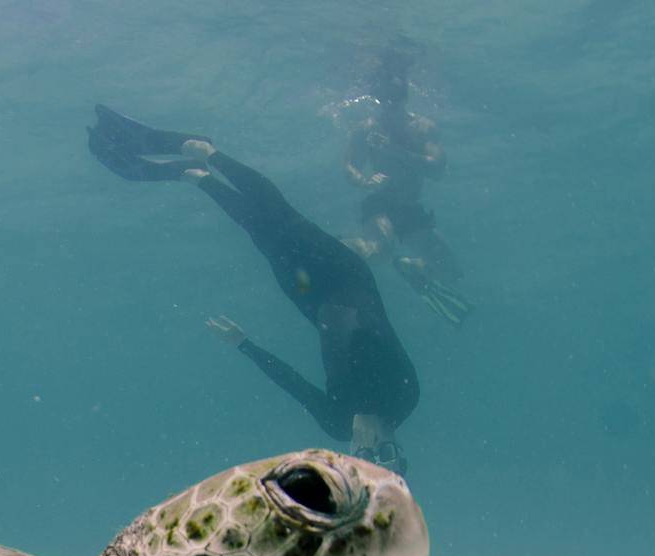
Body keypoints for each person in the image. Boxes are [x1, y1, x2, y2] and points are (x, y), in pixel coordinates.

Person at [88, 107, 417, 475]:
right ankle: (204, 152)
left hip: (309, 299)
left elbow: (292, 382)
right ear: (398, 449)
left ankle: (195, 177)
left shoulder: (337, 425)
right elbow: (370, 329)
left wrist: (244, 344)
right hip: (346, 280)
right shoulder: (403, 399)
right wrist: (369, 408)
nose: (369, 449)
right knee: (283, 218)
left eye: (362, 461)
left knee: (262, 233)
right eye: (384, 455)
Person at [342, 54, 471, 328]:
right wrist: (364, 181)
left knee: (452, 274)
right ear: (376, 99)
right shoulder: (364, 130)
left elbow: (436, 168)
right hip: (380, 204)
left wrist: (394, 151)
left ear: (404, 98)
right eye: (384, 100)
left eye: (395, 99)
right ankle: (338, 246)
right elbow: (350, 166)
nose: (389, 106)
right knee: (378, 252)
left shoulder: (422, 128)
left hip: (413, 209)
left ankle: (412, 265)